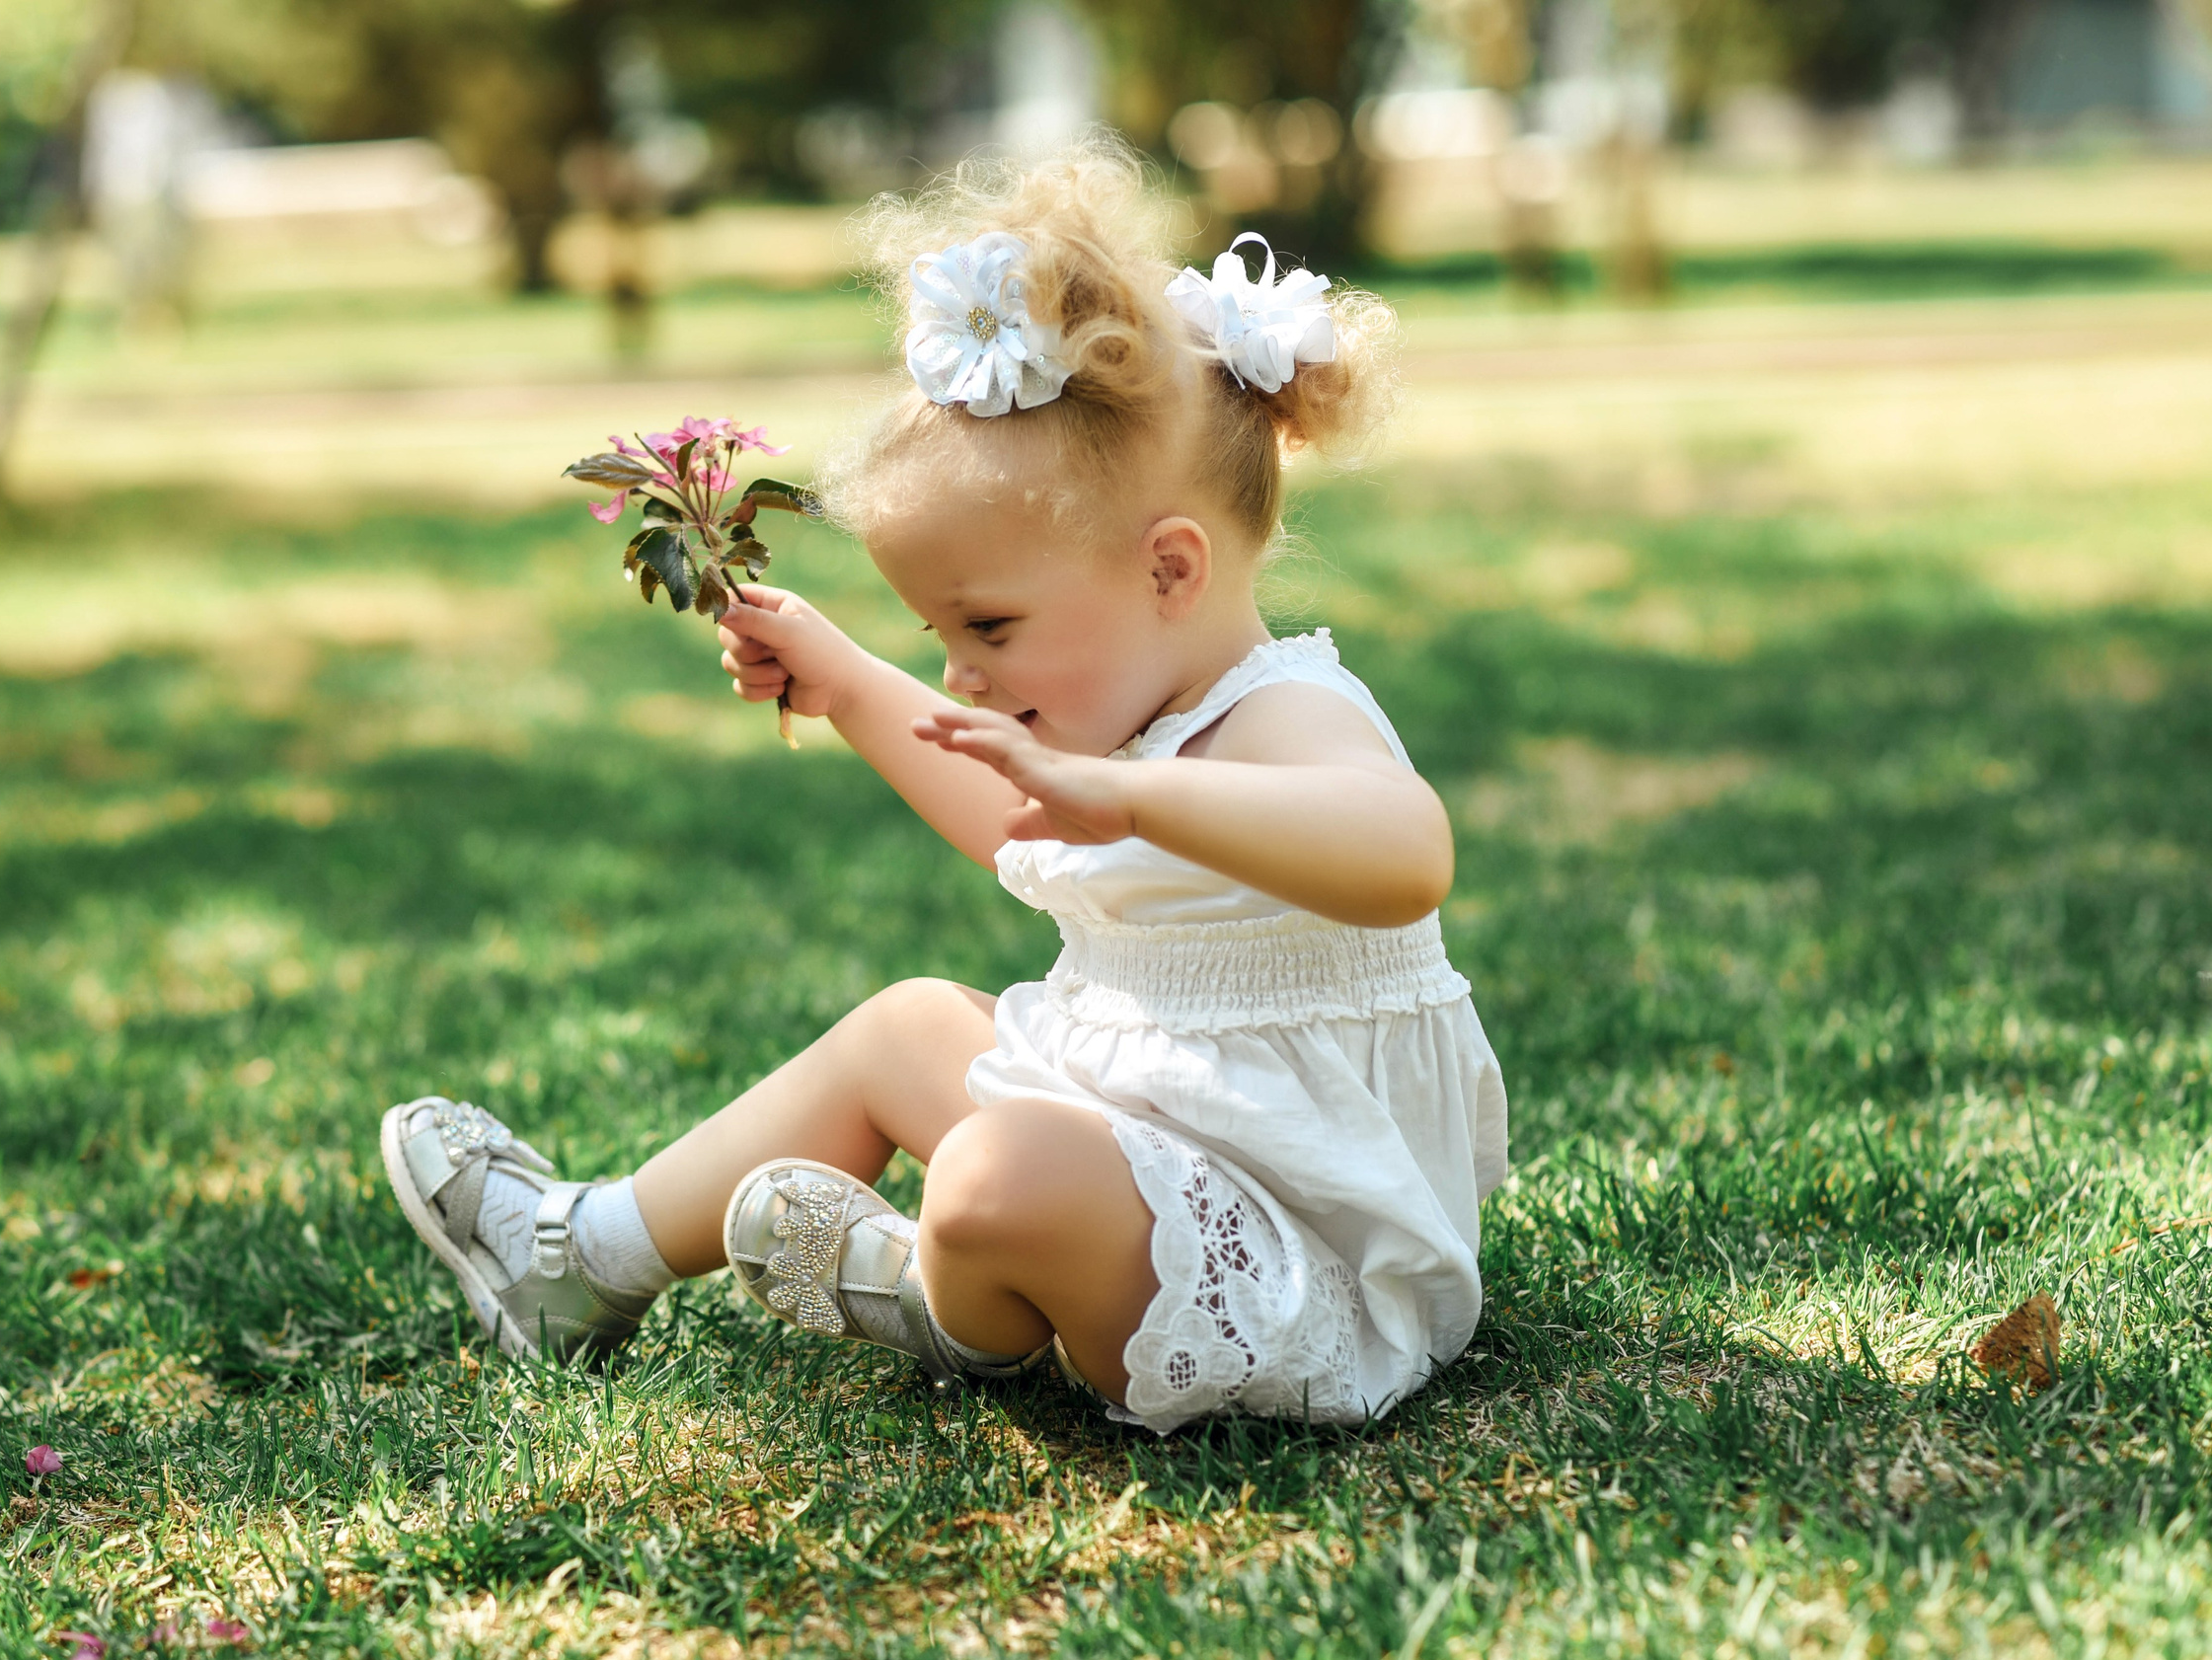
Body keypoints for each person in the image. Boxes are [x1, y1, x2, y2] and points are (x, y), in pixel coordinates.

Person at [377, 140, 1507, 1432]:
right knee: (909, 1026)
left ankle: (930, 1289)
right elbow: (1021, 816)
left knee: (990, 1176)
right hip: (1145, 1148)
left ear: (1172, 571)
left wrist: (1125, 797)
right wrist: (847, 678)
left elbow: (1405, 852)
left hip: (1296, 1253)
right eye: (939, 640)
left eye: (993, 628)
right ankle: (581, 1255)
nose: (966, 679)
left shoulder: (1286, 714)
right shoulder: (1126, 717)